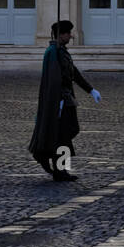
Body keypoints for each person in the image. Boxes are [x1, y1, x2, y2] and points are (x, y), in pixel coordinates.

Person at [28, 19, 101, 182]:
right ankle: (59, 169)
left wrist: (90, 89)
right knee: (62, 136)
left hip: (66, 100)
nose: (71, 36)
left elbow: (73, 73)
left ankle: (52, 162)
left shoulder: (62, 52)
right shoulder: (53, 52)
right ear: (61, 34)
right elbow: (54, 79)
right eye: (68, 33)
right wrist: (59, 101)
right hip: (60, 101)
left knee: (65, 133)